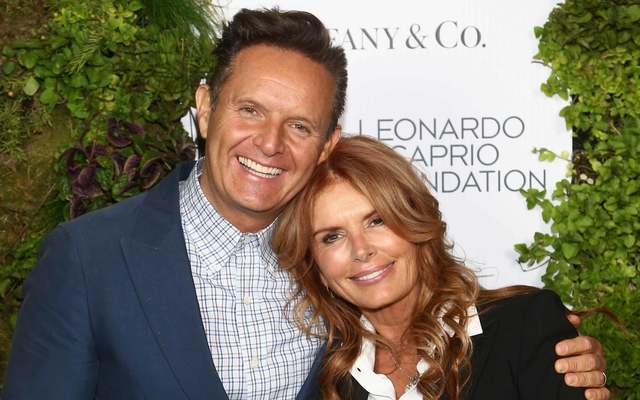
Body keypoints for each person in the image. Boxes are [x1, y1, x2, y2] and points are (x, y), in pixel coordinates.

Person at [3, 8, 608, 400]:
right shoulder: (88, 257)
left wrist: (553, 360)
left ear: (327, 143)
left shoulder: (332, 273)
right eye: (249, 110)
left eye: (299, 125)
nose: (269, 144)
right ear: (207, 107)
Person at [273, 135, 607, 400]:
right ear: (314, 264)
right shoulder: (323, 378)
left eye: (377, 220)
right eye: (332, 237)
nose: (361, 250)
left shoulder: (522, 328)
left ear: (415, 220)